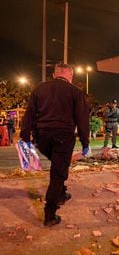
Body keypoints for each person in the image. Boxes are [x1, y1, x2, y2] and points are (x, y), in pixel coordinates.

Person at [20, 63, 89, 226]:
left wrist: (25, 136)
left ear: (54, 75)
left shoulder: (39, 89)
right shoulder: (75, 92)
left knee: (59, 165)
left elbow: (29, 113)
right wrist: (85, 142)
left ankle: (61, 193)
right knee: (58, 173)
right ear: (70, 76)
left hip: (41, 138)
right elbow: (82, 119)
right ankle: (50, 214)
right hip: (63, 136)